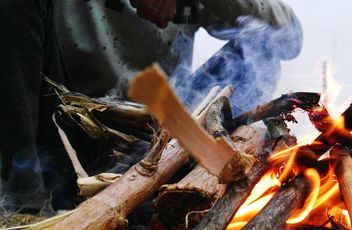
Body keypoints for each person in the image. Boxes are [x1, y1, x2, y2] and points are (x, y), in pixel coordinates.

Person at [0, 0, 302, 213]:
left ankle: (197, 184)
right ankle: (24, 199)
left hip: (156, 142)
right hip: (67, 128)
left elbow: (290, 39)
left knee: (261, 47)